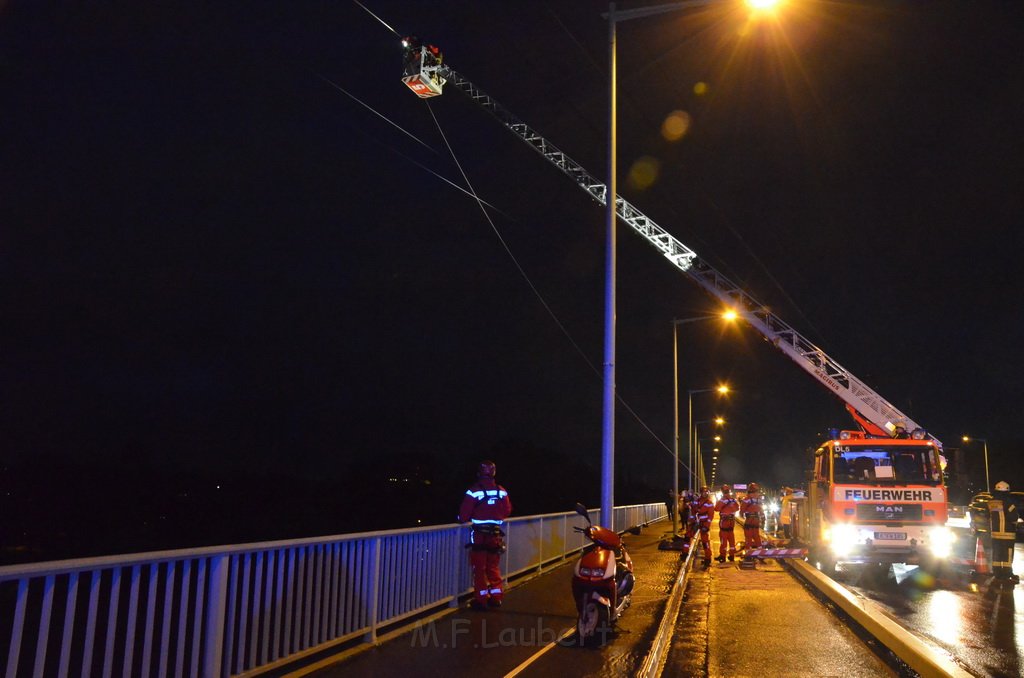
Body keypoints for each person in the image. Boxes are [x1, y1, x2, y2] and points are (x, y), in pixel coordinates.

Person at [457, 460, 513, 609]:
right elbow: (507, 510)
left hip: (479, 535)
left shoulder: (474, 491)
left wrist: (463, 519)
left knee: (479, 569)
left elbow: (464, 515)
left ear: (479, 473)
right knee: (493, 568)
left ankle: (481, 600)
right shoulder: (501, 491)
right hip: (495, 535)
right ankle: (496, 598)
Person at [988, 481, 1020, 584]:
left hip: (995, 534)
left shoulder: (991, 503)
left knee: (997, 553)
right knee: (1007, 555)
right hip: (1008, 534)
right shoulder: (1008, 504)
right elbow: (1013, 517)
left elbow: (987, 516)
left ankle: (997, 573)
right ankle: (1007, 573)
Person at [714, 484, 739, 562]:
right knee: (731, 537)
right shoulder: (733, 500)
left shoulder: (722, 500)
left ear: (722, 491)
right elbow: (737, 508)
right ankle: (731, 556)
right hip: (732, 521)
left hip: (724, 521)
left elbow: (716, 509)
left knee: (723, 538)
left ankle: (723, 556)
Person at [740, 482, 766, 554]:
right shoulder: (759, 499)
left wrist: (742, 514)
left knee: (748, 536)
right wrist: (763, 517)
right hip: (757, 519)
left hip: (749, 519)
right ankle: (760, 552)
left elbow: (742, 510)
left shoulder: (747, 499)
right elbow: (761, 509)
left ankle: (748, 552)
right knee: (756, 535)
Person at [695, 487, 716, 569]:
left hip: (704, 525)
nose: (705, 493)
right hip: (698, 523)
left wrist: (706, 526)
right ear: (701, 493)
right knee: (688, 537)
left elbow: (711, 516)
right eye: (704, 492)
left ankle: (708, 558)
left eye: (706, 492)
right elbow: (694, 509)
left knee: (705, 542)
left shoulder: (709, 503)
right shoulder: (698, 501)